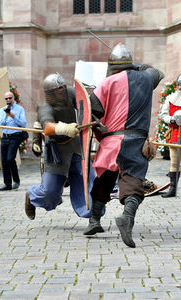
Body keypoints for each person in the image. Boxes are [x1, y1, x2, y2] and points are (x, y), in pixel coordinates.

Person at [83, 43, 164, 248]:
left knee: (104, 181)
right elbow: (158, 72)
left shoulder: (106, 83)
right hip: (136, 143)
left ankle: (94, 221)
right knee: (133, 184)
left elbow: (93, 115)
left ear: (112, 65)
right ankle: (127, 218)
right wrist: (136, 66)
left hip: (111, 143)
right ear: (129, 63)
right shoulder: (146, 78)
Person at [25, 73, 101, 220]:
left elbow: (84, 104)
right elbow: (47, 127)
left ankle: (92, 214)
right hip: (56, 154)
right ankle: (32, 195)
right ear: (50, 93)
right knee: (50, 193)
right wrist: (64, 129)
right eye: (58, 88)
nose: (62, 89)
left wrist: (96, 114)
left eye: (63, 86)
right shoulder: (45, 107)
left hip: (76, 148)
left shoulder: (69, 94)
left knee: (88, 180)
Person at [0, 91, 27, 191]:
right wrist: (6, 114)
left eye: (10, 98)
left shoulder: (20, 109)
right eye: (6, 99)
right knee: (4, 161)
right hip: (5, 136)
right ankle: (7, 184)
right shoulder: (2, 110)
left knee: (10, 159)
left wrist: (13, 116)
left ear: (13, 98)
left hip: (15, 136)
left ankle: (16, 180)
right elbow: (0, 124)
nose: (8, 100)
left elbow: (23, 124)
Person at [160, 74, 181, 197]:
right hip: (175, 133)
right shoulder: (170, 98)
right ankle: (173, 189)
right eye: (179, 84)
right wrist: (171, 120)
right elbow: (163, 115)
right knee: (174, 162)